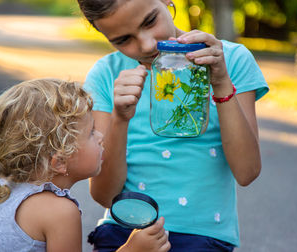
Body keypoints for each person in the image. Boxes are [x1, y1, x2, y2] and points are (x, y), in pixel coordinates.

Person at [77, 0, 269, 251]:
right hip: (124, 233)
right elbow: (104, 196)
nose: (146, 44)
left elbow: (247, 172)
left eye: (149, 21)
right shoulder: (106, 74)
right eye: (123, 39)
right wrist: (120, 119)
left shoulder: (230, 60)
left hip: (204, 238)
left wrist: (221, 82)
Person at [0, 78, 170, 252]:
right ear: (59, 161)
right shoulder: (60, 212)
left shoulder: (2, 184)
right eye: (91, 132)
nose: (100, 137)